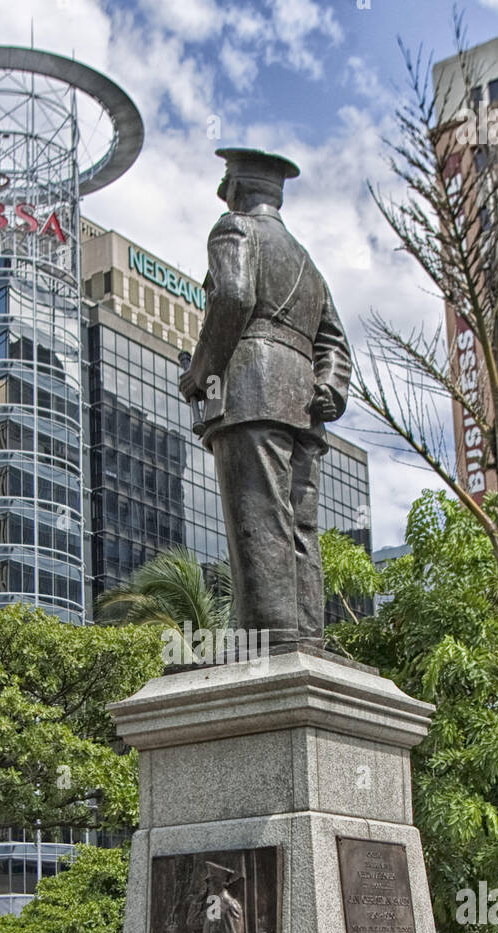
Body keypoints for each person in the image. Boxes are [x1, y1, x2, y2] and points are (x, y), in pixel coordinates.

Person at [178, 148, 351, 651]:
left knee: (258, 515)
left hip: (252, 390)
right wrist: (330, 388)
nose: (222, 193)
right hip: (303, 408)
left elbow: (232, 297)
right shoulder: (306, 260)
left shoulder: (233, 229)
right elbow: (334, 341)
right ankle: (305, 635)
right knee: (299, 524)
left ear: (237, 189)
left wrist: (200, 370)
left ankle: (268, 637)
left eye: (226, 183)